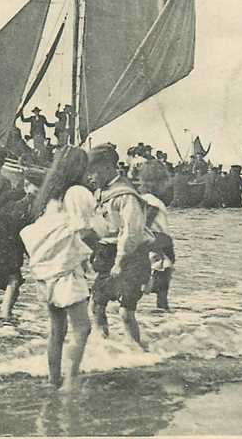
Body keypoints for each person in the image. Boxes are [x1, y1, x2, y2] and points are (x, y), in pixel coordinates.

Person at [20, 146, 105, 390]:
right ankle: (70, 382)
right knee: (82, 328)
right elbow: (85, 230)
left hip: (44, 269)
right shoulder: (77, 192)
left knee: (57, 329)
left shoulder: (50, 195)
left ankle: (54, 379)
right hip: (65, 270)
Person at [86, 143, 153, 349]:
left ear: (107, 168)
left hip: (130, 255)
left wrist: (120, 261)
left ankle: (137, 351)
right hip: (107, 252)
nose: (90, 177)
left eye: (93, 172)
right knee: (96, 305)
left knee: (125, 311)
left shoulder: (125, 195)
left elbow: (131, 232)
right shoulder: (100, 192)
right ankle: (103, 346)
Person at [0, 168, 44, 320]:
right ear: (27, 184)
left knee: (11, 279)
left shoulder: (35, 203)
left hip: (12, 244)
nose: (40, 191)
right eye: (37, 187)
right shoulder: (12, 196)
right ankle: (3, 314)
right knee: (11, 279)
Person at [138, 161, 176, 311]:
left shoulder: (144, 198)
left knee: (157, 277)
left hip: (154, 240)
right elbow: (145, 222)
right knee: (162, 281)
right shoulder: (153, 201)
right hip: (158, 240)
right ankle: (162, 311)